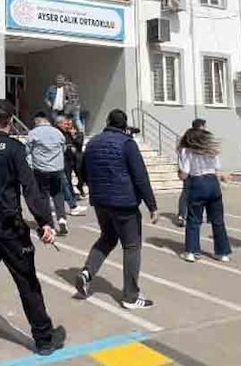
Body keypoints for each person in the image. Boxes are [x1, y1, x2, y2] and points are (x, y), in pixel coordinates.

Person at [0, 100, 64, 363]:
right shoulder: (14, 149)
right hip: (8, 227)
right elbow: (30, 188)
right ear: (10, 120)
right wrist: (44, 221)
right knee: (27, 282)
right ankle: (43, 339)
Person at [74, 109, 157, 310]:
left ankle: (87, 273)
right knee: (131, 246)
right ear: (124, 125)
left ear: (107, 121)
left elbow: (82, 168)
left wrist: (83, 185)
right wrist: (152, 205)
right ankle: (130, 295)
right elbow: (140, 176)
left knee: (107, 238)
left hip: (101, 202)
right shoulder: (127, 144)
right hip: (124, 203)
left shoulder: (93, 142)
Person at [177, 127, 231, 263]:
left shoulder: (186, 151)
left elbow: (184, 174)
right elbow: (218, 170)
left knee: (194, 219)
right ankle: (222, 252)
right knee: (218, 220)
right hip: (212, 182)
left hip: (197, 183)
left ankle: (191, 251)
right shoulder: (212, 150)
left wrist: (180, 174)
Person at [26, 112, 69, 236]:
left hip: (41, 169)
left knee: (43, 195)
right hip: (57, 168)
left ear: (37, 121)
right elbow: (63, 148)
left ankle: (50, 224)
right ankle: (62, 218)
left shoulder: (33, 134)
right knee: (58, 193)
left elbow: (27, 151)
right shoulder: (58, 132)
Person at [174, 118, 207, 227]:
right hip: (190, 171)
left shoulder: (189, 138)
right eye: (204, 126)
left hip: (190, 170)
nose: (205, 128)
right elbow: (183, 154)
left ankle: (187, 215)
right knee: (187, 193)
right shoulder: (192, 138)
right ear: (200, 127)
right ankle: (182, 216)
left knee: (191, 193)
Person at [57, 116, 87, 216]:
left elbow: (78, 144)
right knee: (65, 183)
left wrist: (73, 138)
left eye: (68, 124)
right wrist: (69, 147)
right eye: (65, 124)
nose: (67, 126)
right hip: (61, 162)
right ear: (60, 124)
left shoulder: (70, 133)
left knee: (67, 182)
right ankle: (72, 205)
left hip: (71, 160)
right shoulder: (58, 133)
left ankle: (72, 203)